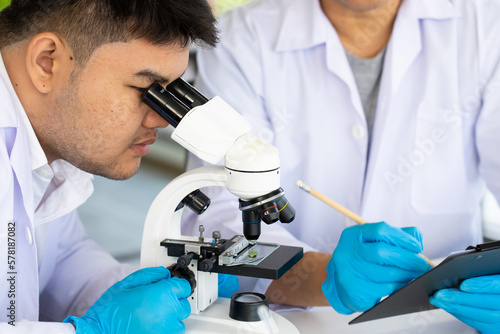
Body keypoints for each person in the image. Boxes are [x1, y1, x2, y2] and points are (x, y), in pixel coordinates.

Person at [183, 0, 500, 332]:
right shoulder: (242, 38)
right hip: (296, 320)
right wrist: (324, 276)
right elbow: (219, 213)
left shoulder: (483, 25)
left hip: (450, 319)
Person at [0, 1, 238, 333]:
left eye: (168, 94)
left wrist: (165, 290)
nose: (160, 119)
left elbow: (62, 260)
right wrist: (91, 331)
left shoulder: (46, 148)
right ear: (46, 62)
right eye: (147, 91)